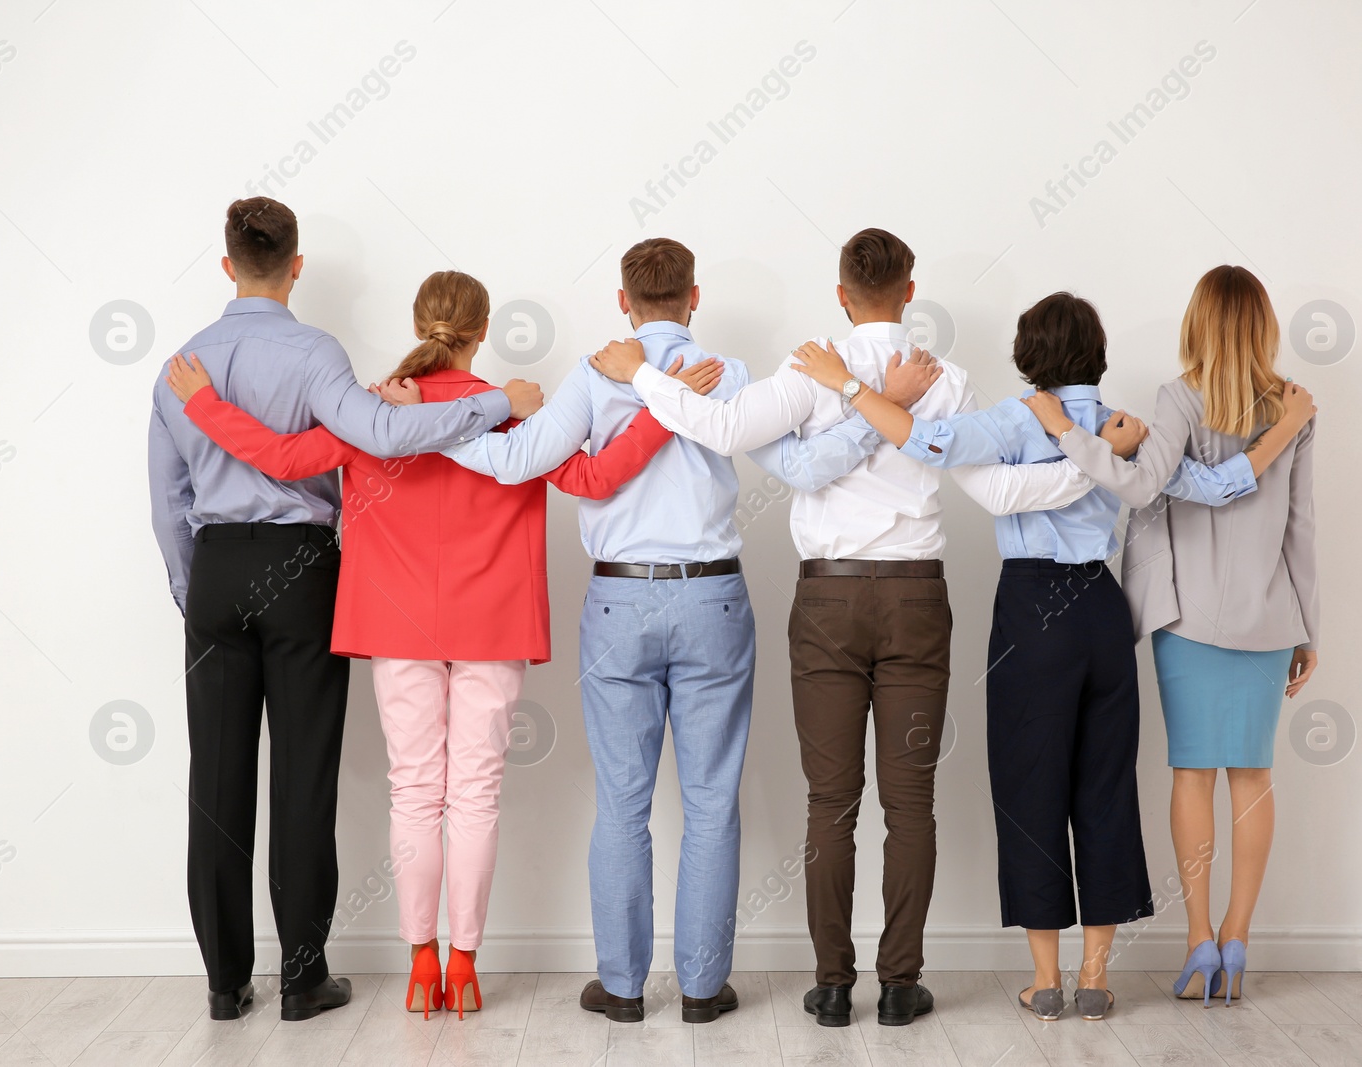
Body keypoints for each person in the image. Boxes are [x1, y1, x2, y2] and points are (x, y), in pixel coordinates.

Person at [593, 230, 1121, 1028]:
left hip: (828, 604)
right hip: (916, 599)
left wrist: (639, 374)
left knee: (828, 801)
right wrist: (1092, 461)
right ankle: (901, 985)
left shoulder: (808, 372)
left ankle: (833, 985)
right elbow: (995, 487)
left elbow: (720, 427)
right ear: (910, 292)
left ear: (842, 294)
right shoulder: (946, 380)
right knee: (911, 802)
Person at [162, 270, 697, 1019]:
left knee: (415, 789)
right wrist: (671, 408)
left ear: (421, 325)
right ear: (482, 332)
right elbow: (597, 474)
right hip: (490, 624)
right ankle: (465, 965)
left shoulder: (375, 412)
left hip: (397, 623)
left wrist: (203, 405)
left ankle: (420, 965)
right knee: (475, 792)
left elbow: (282, 459)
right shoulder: (513, 418)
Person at [431, 238, 912, 1024]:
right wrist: (876, 417)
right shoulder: (727, 375)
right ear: (694, 297)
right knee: (713, 802)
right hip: (712, 600)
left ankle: (621, 987)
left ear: (625, 301)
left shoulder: (595, 374)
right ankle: (701, 987)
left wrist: (431, 422)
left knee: (622, 804)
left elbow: (517, 460)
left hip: (619, 604)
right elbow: (800, 466)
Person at [788, 289, 1266, 1023]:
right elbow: (1210, 485)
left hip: (1031, 615)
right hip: (1101, 610)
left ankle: (1046, 981)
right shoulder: (1120, 425)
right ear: (1097, 355)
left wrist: (854, 388)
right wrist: (1280, 432)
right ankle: (1097, 975)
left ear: (1027, 354)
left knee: (1029, 786)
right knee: (1105, 787)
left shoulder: (1016, 417)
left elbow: (921, 441)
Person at [147, 198, 542, 1023]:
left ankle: (224, 983)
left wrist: (198, 594)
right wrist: (498, 402)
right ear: (297, 266)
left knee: (216, 785)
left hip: (217, 569)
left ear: (227, 266)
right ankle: (301, 978)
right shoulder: (318, 354)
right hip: (299, 570)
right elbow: (362, 441)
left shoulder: (181, 365)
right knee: (305, 776)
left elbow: (167, 500)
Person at [1021, 265, 1319, 1007]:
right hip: (1270, 613)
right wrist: (1309, 624)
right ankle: (1237, 937)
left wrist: (1064, 430)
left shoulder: (1178, 398)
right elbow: (1302, 524)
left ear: (1197, 322)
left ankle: (1196, 941)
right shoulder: (1294, 407)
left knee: (1192, 773)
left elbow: (1137, 483)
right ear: (1263, 326)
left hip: (1185, 616)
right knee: (1252, 775)